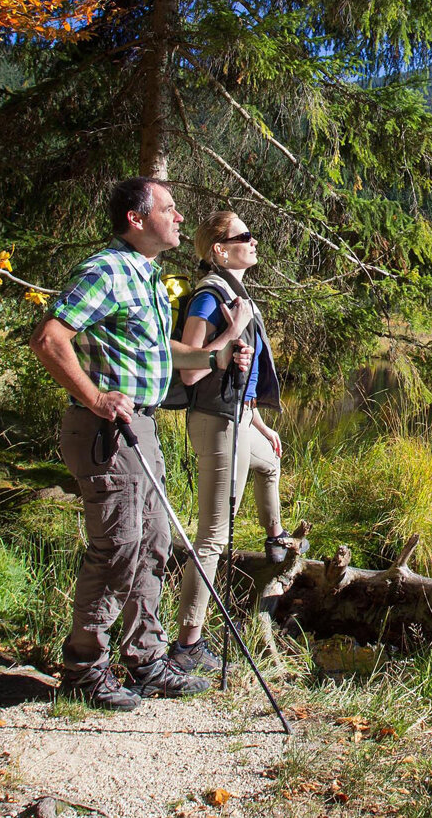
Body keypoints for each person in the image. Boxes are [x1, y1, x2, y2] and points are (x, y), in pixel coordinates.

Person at [29, 178, 253, 711]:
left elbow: (166, 353)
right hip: (110, 429)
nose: (180, 219)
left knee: (151, 543)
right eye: (170, 210)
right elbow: (48, 339)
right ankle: (84, 667)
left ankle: (147, 657)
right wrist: (95, 397)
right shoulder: (105, 271)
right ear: (136, 218)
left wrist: (219, 354)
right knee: (118, 547)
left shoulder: (146, 276)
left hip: (143, 427)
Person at [168, 210, 305, 676]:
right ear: (220, 250)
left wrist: (261, 423)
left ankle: (275, 540)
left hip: (239, 419)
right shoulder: (210, 298)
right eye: (245, 236)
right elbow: (190, 369)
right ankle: (187, 642)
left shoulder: (237, 294)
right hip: (216, 423)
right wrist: (229, 335)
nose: (254, 241)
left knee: (270, 462)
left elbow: (238, 373)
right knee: (212, 538)